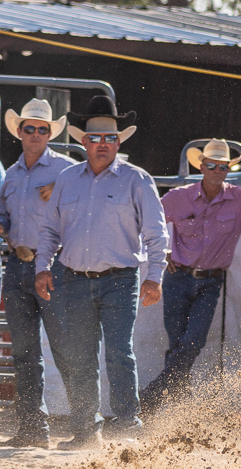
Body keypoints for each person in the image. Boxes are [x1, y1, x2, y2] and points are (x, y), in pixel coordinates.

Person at [35, 96, 168, 449]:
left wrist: (155, 276)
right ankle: (85, 431)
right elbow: (50, 230)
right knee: (80, 356)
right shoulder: (67, 180)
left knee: (118, 352)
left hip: (120, 279)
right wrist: (42, 267)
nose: (102, 145)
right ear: (84, 142)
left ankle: (127, 425)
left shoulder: (136, 180)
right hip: (74, 278)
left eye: (109, 138)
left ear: (119, 142)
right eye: (95, 138)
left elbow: (157, 233)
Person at [139, 140, 241, 415]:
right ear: (202, 167)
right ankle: (177, 407)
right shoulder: (179, 197)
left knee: (192, 342)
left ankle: (154, 396)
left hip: (210, 282)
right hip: (177, 277)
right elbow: (150, 221)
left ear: (228, 169)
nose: (217, 170)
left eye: (223, 167)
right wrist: (165, 251)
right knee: (179, 342)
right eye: (212, 166)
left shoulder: (239, 199)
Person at [0, 99, 75, 448]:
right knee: (26, 352)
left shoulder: (67, 171)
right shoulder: (11, 175)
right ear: (19, 131)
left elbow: (96, 187)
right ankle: (33, 429)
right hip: (16, 263)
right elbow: (5, 217)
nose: (35, 134)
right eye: (29, 128)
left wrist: (62, 191)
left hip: (52, 265)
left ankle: (85, 427)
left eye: (42, 129)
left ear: (49, 134)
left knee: (64, 348)